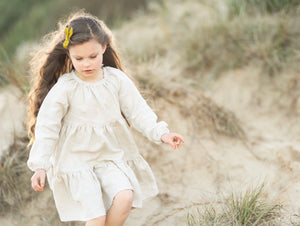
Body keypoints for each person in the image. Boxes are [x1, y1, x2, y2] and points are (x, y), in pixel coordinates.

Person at [27, 12, 184, 226]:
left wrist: (161, 133)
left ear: (103, 48)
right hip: (77, 162)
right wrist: (40, 166)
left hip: (110, 156)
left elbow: (138, 111)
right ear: (69, 55)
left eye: (92, 56)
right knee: (96, 217)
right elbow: (48, 127)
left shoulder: (116, 80)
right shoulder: (65, 87)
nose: (86, 64)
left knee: (125, 197)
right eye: (78, 59)